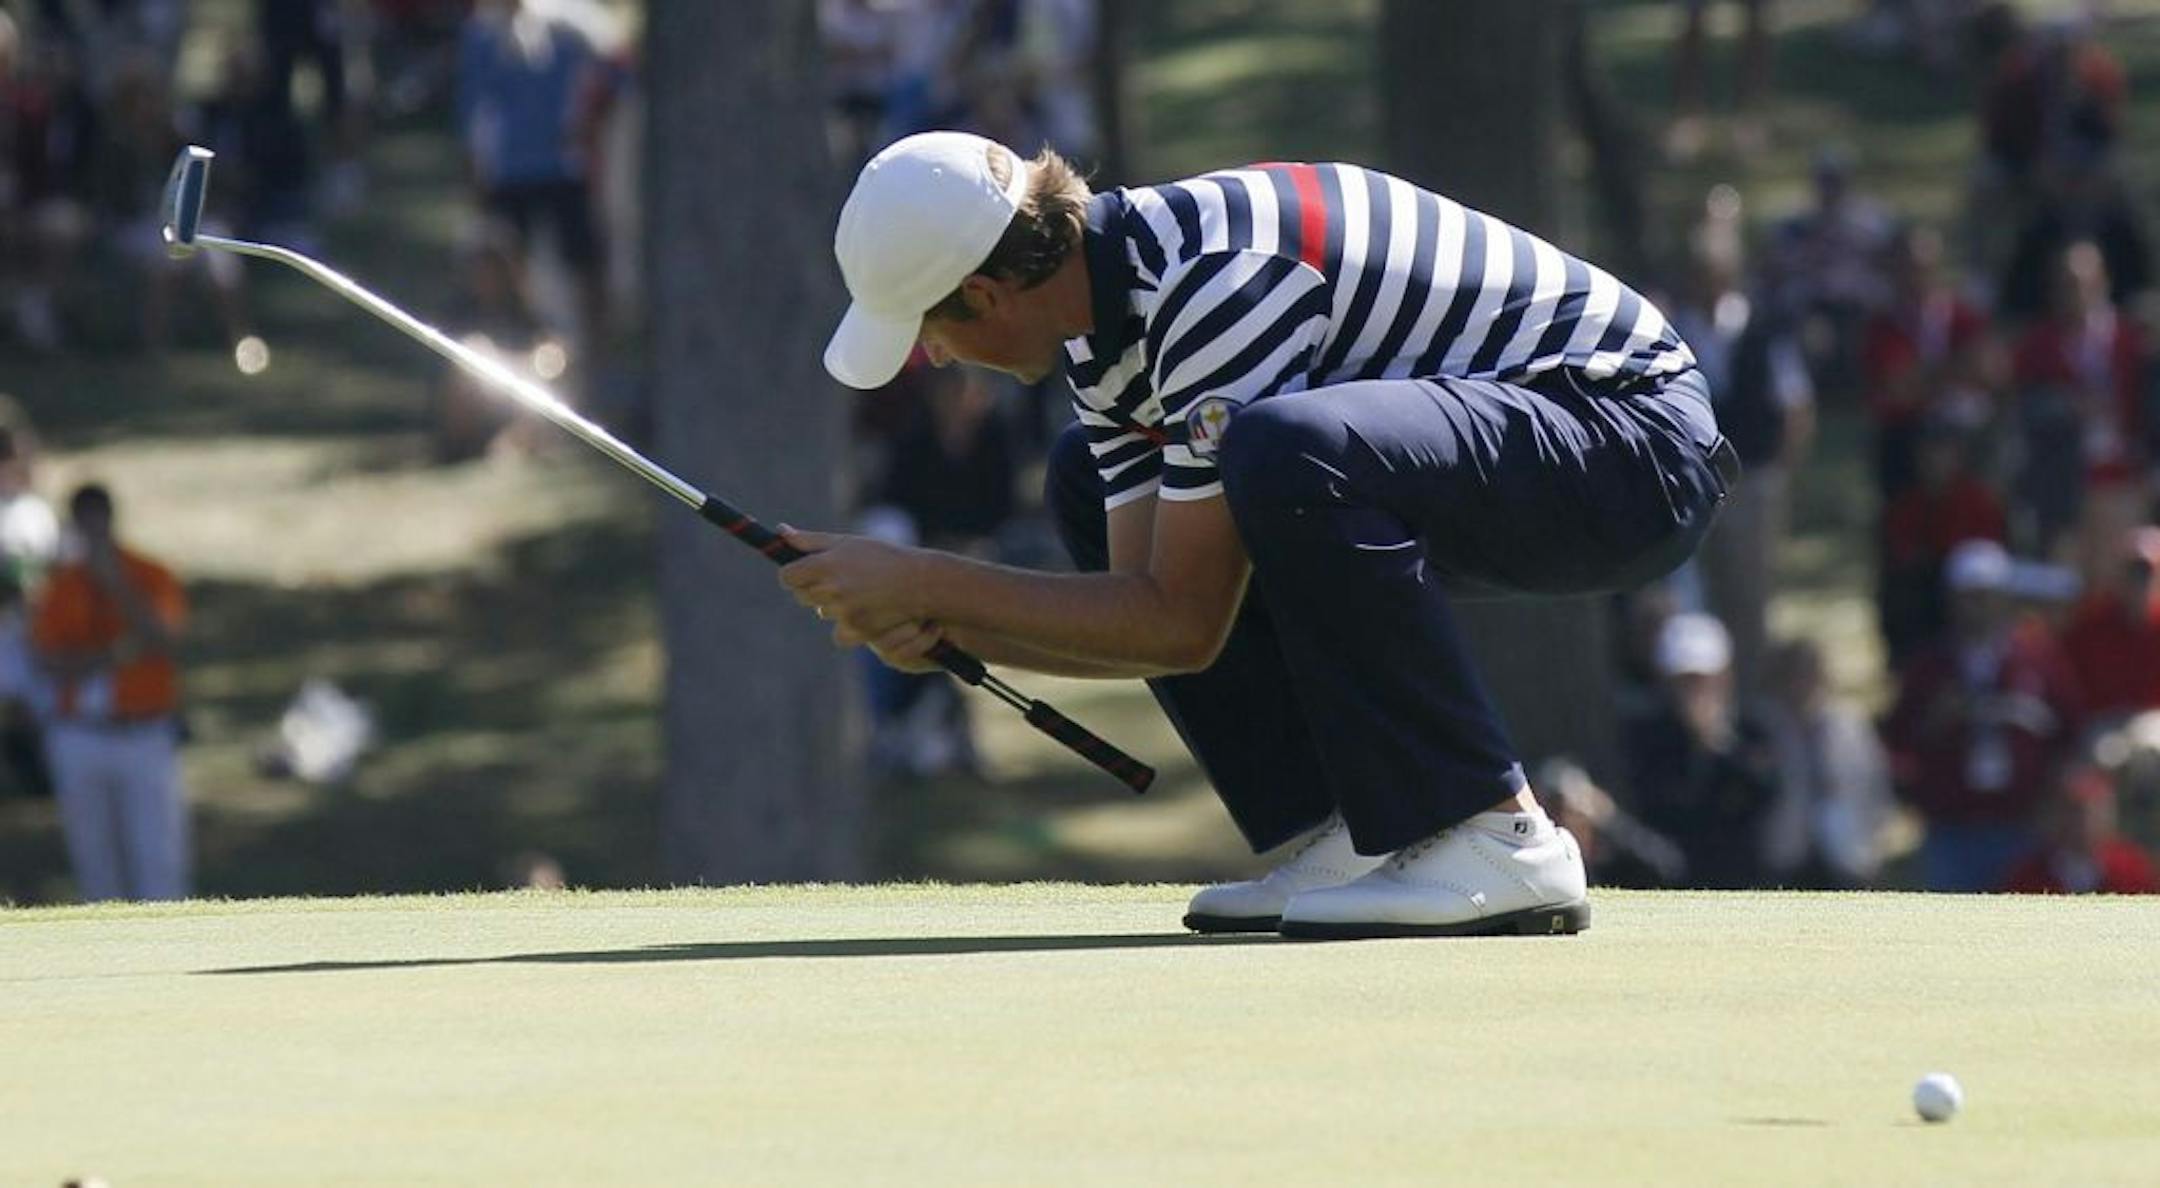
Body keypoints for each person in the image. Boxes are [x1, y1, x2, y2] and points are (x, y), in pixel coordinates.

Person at [783, 132, 1735, 938]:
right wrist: (951, 629)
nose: (937, 356)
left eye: (931, 329)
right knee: (1090, 475)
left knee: (1282, 448)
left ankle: (1497, 833)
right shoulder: (1105, 338)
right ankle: (1349, 837)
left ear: (987, 294)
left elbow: (1179, 617)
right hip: (1547, 450)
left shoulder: (1211, 286)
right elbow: (1155, 620)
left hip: (1632, 446)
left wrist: (925, 582)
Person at [1882, 539, 2084, 892]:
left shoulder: (2037, 661)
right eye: (1969, 595)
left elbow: (2071, 733)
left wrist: (2054, 801)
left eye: (1988, 594)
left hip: (2023, 824)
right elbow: (1899, 742)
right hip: (1952, 828)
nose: (1979, 606)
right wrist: (1937, 723)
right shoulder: (1929, 669)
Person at [31, 483, 189, 901]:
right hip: (81, 732)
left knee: (157, 858)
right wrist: (111, 657)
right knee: (95, 863)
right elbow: (47, 661)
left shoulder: (151, 575)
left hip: (143, 730)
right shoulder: (61, 587)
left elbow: (165, 639)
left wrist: (116, 583)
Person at [1619, 612, 1779, 889]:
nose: (1695, 691)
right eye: (1685, 680)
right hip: (1669, 879)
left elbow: (1766, 792)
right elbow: (1653, 802)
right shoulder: (1648, 734)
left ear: (1724, 676)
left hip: (1743, 876)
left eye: (1703, 679)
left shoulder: (1752, 728)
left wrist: (1718, 745)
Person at [1757, 636, 1895, 888]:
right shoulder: (1767, 729)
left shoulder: (1850, 726)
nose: (1802, 684)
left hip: (1847, 855)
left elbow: (1876, 787)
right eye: (1794, 675)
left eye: (1809, 675)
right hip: (1788, 855)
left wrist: (1873, 846)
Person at [2059, 525, 2160, 726]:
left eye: (2145, 573)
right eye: (2133, 572)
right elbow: (2067, 685)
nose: (2138, 581)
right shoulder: (2091, 623)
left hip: (2151, 726)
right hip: (2101, 725)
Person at [2001, 766, 2157, 894]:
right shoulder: (2028, 877)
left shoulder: (2132, 870)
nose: (2086, 823)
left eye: (2096, 813)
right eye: (2075, 812)